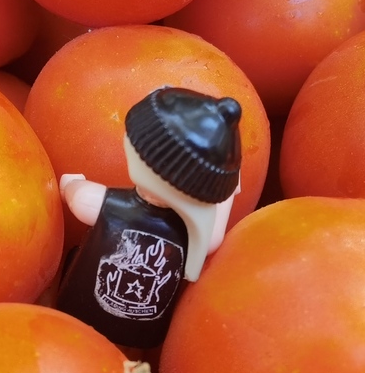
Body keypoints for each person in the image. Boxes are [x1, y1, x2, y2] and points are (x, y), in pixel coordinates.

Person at [56, 86, 242, 349]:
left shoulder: (109, 203)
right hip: (144, 331)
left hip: (79, 309)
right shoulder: (190, 233)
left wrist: (70, 184)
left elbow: (81, 200)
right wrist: (224, 192)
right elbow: (213, 239)